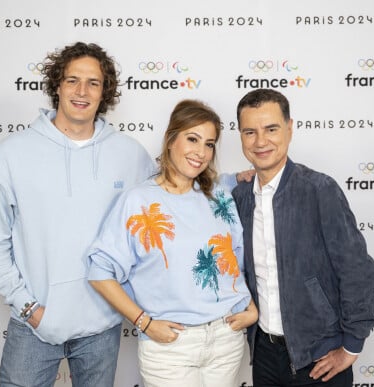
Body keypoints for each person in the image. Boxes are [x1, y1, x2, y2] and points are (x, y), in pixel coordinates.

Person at [0, 42, 156, 387]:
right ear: (57, 84)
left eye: (93, 83)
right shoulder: (12, 154)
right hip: (34, 324)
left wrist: (230, 182)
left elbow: (169, 202)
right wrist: (30, 309)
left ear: (105, 92)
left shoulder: (130, 155)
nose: (81, 91)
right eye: (73, 80)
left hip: (101, 326)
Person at [87, 99, 259, 387]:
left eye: (209, 144)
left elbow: (235, 259)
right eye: (192, 139)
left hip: (226, 339)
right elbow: (100, 272)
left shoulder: (220, 196)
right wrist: (144, 322)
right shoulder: (138, 201)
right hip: (170, 347)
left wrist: (249, 305)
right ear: (170, 140)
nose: (201, 152)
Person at [231, 88, 374, 387]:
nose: (261, 141)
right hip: (264, 355)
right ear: (241, 136)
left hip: (319, 355)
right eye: (250, 132)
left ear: (290, 128)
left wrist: (351, 345)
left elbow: (356, 269)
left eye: (271, 129)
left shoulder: (319, 190)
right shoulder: (240, 196)